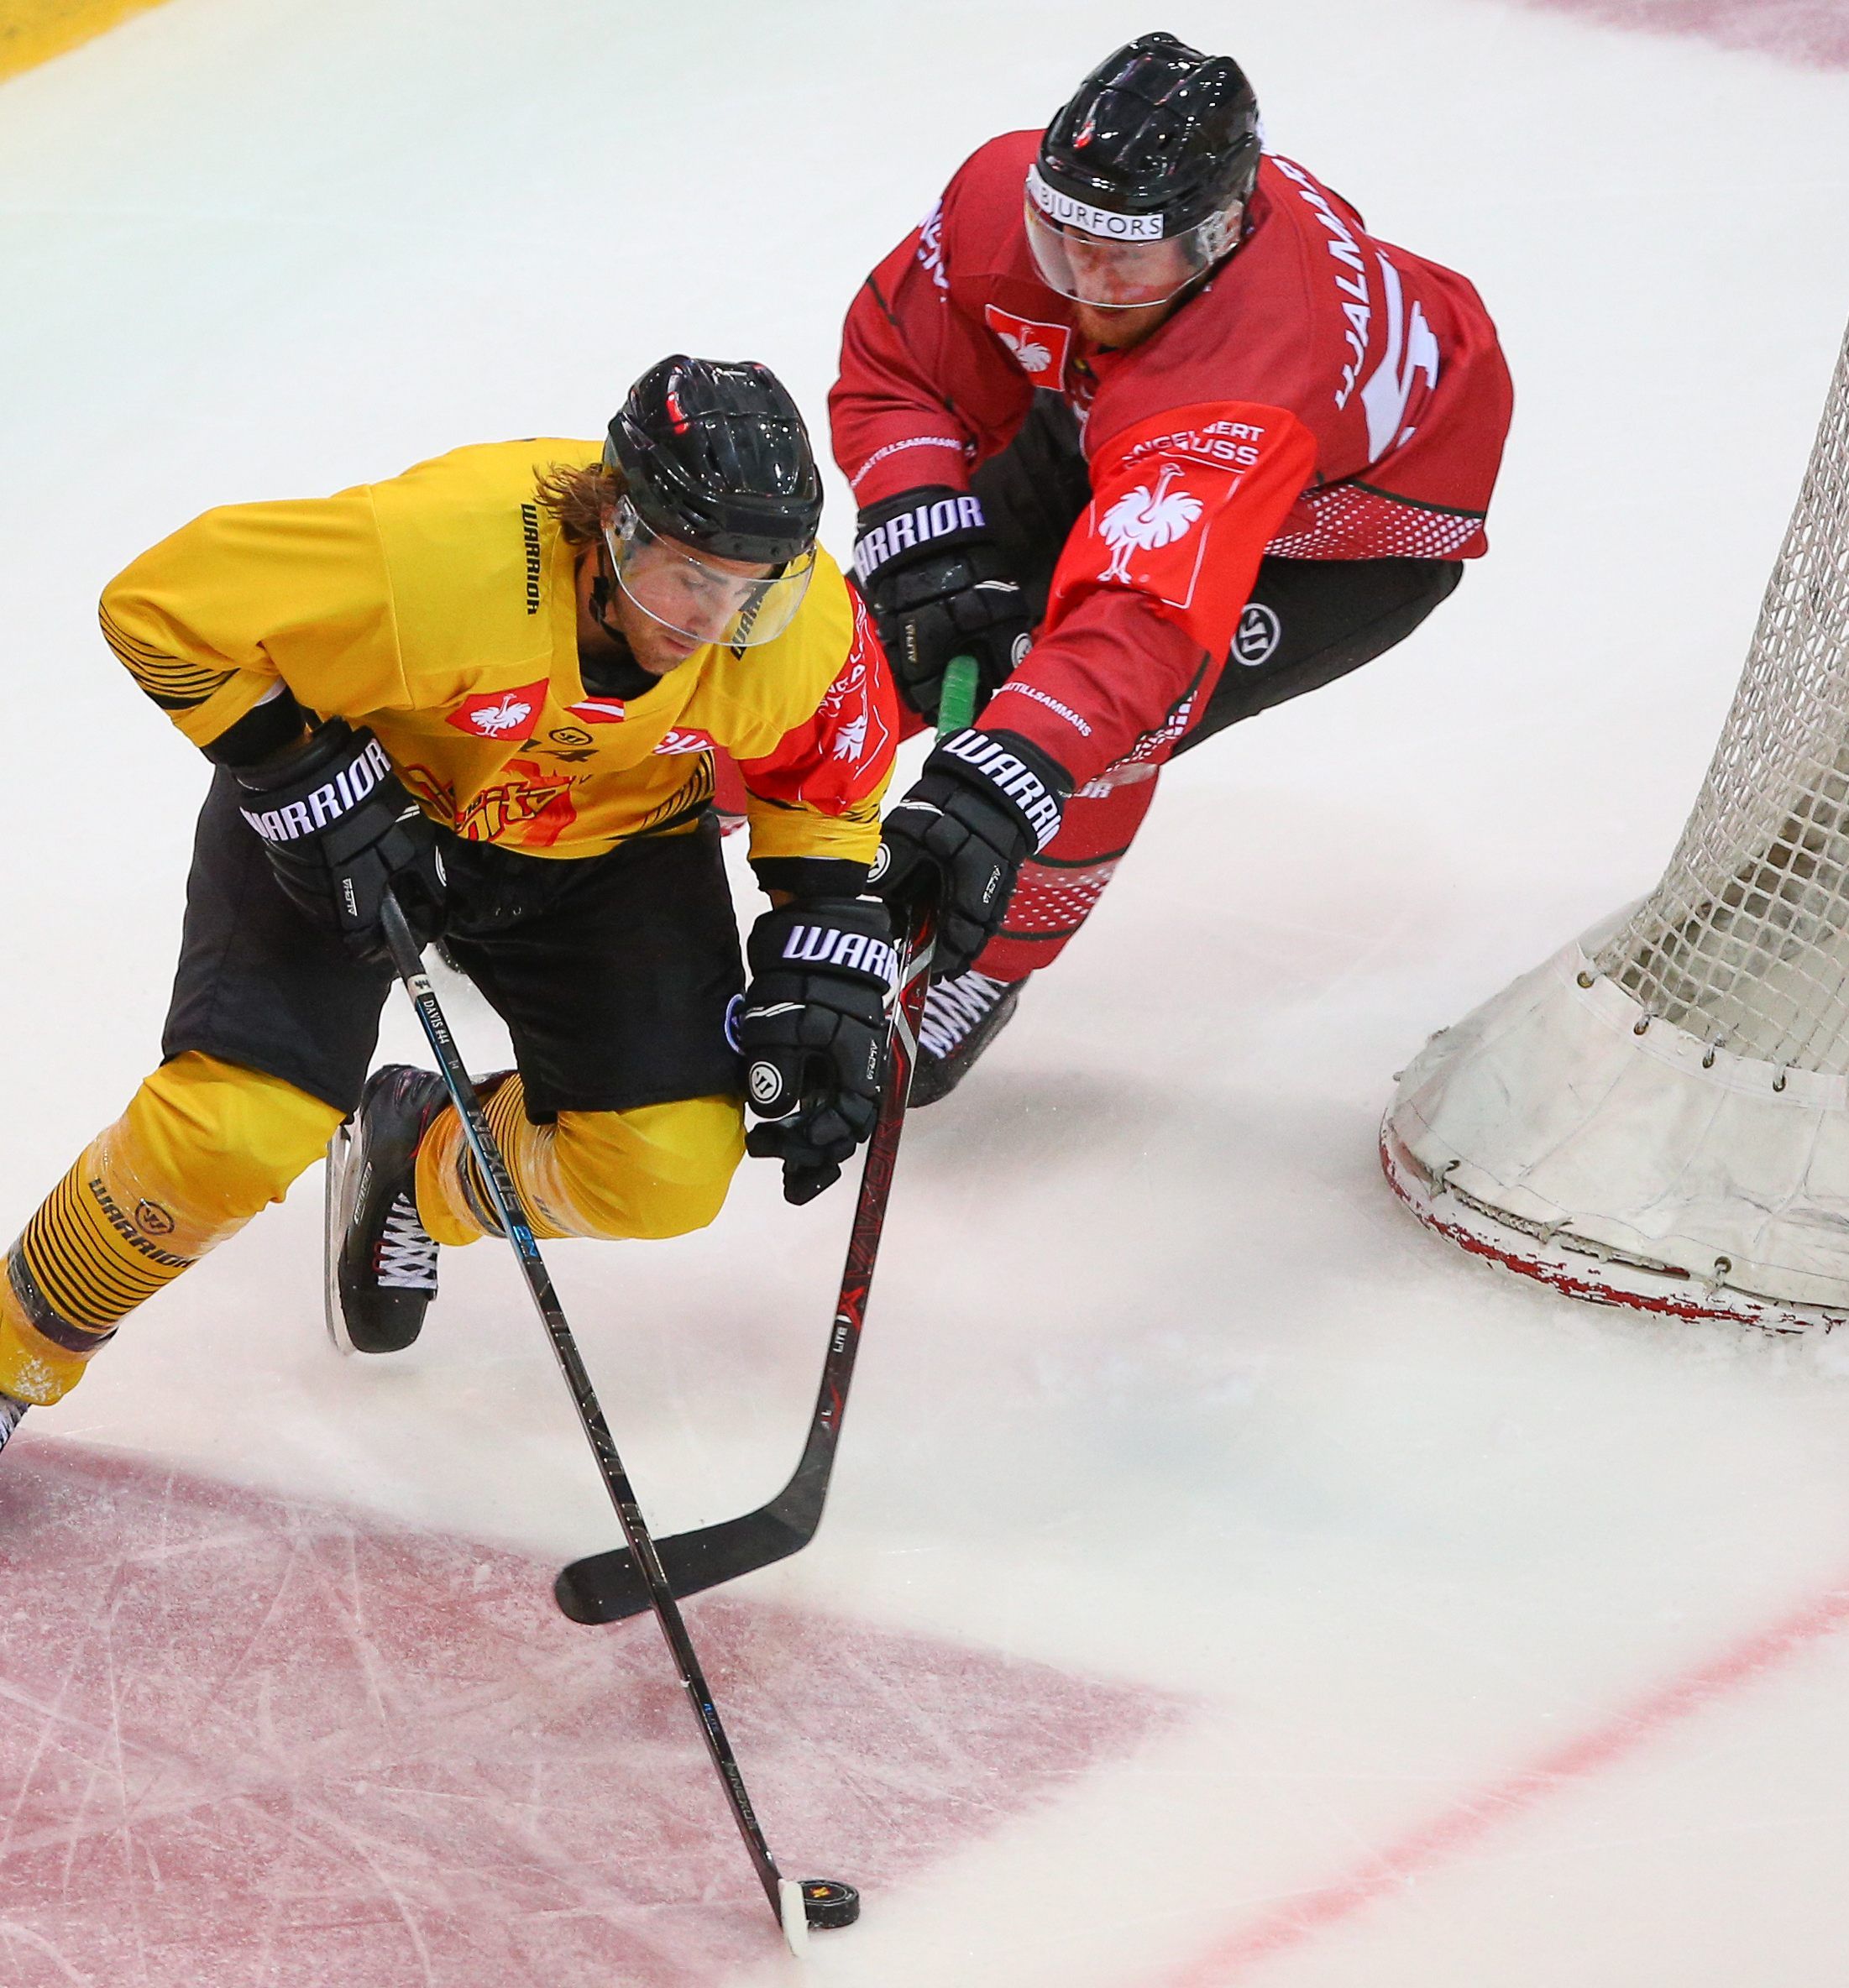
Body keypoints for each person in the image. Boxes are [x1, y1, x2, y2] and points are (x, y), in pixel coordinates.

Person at [0, 356, 900, 1453]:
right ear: (613, 522)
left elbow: (831, 777)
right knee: (232, 1135)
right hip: (369, 807)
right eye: (688, 578)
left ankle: (417, 1159)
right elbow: (158, 606)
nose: (712, 622)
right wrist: (300, 775)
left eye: (753, 591)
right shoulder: (440, 555)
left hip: (605, 844)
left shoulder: (797, 631)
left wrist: (823, 936)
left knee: (663, 1171)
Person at [832, 31, 1514, 1101]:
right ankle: (666, 794)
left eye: (1125, 262)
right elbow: (905, 366)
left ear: (1215, 240)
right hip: (1122, 420)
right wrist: (921, 539)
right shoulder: (1011, 203)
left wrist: (993, 784)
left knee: (1087, 725)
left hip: (1334, 534)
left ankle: (986, 966)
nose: (1085, 285)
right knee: (887, 626)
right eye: (1063, 244)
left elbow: (1135, 629)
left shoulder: (1253, 365)